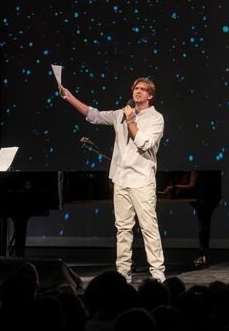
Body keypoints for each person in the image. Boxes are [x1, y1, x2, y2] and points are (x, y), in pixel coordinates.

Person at [59, 77, 166, 283]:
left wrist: (131, 121)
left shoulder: (156, 118)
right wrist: (70, 97)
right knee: (123, 229)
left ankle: (157, 271)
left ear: (150, 95)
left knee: (149, 228)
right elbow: (94, 115)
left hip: (142, 180)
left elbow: (144, 143)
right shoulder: (120, 114)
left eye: (143, 90)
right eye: (136, 88)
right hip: (121, 179)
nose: (138, 92)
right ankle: (123, 272)